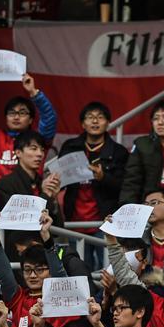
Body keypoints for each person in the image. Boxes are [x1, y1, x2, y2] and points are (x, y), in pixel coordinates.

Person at [0, 71, 57, 215]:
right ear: (5, 118)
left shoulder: (38, 139)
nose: (16, 117)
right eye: (12, 113)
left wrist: (34, 93)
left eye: (22, 113)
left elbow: (49, 119)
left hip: (33, 211)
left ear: (31, 119)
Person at [57, 102, 128, 268]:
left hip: (105, 222)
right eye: (90, 117)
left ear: (108, 123)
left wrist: (104, 177)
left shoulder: (118, 152)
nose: (95, 121)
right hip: (75, 222)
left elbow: (125, 186)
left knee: (106, 271)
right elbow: (60, 179)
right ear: (83, 124)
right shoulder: (70, 147)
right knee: (80, 270)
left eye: (100, 117)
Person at [0, 131, 62, 225]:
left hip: (44, 239)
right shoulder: (6, 184)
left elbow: (58, 227)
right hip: (19, 239)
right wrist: (45, 195)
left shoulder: (42, 183)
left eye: (42, 150)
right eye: (33, 149)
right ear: (18, 152)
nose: (40, 154)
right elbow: (21, 222)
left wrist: (53, 198)